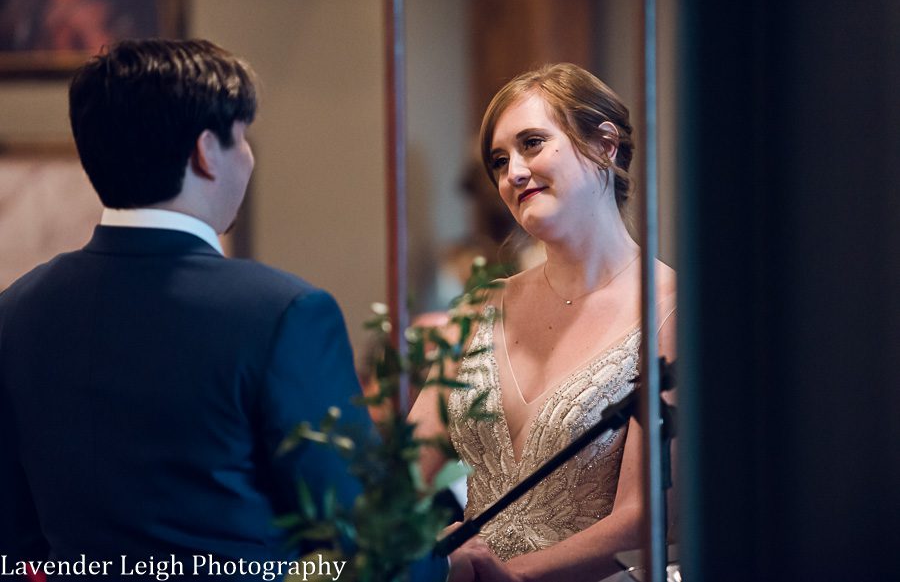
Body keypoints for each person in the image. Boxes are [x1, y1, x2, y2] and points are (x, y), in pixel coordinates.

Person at [0, 39, 370, 578]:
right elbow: (366, 537)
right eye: (242, 137)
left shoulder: (14, 312)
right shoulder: (285, 313)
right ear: (205, 151)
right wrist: (441, 563)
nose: (247, 157)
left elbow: (14, 539)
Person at [411, 63, 677, 582]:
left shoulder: (670, 311)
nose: (513, 172)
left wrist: (513, 574)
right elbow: (402, 475)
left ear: (605, 145)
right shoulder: (478, 311)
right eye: (499, 160)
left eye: (532, 144)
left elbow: (645, 517)